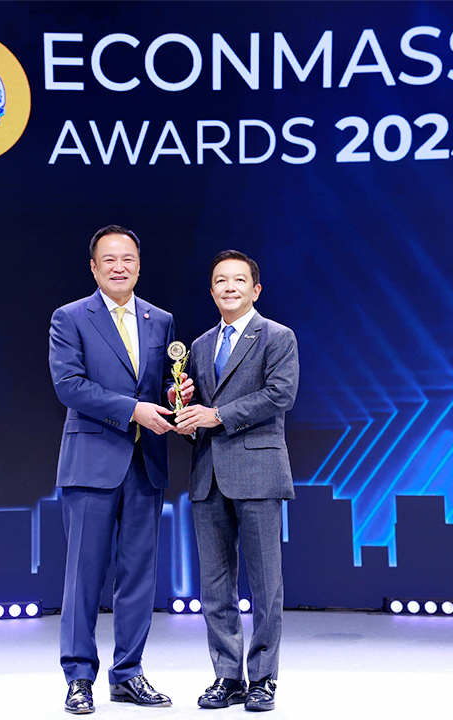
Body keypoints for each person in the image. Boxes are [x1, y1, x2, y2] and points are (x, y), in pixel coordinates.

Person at [48, 225, 190, 714]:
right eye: (108, 259)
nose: (119, 266)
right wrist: (133, 410)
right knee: (84, 577)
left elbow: (162, 383)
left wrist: (175, 395)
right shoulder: (70, 317)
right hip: (91, 463)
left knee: (138, 577)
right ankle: (78, 677)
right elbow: (69, 386)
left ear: (139, 265)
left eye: (127, 258)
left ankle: (128, 673)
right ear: (93, 267)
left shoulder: (160, 319)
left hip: (145, 464)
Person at [174, 250, 298, 713]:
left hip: (258, 473)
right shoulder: (200, 345)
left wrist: (216, 415)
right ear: (211, 291)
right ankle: (227, 676)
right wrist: (184, 411)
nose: (229, 287)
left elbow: (280, 394)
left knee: (266, 586)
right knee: (215, 586)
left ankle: (263, 678)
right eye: (221, 281)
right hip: (208, 474)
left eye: (239, 280)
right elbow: (199, 410)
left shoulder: (277, 336)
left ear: (255, 289)